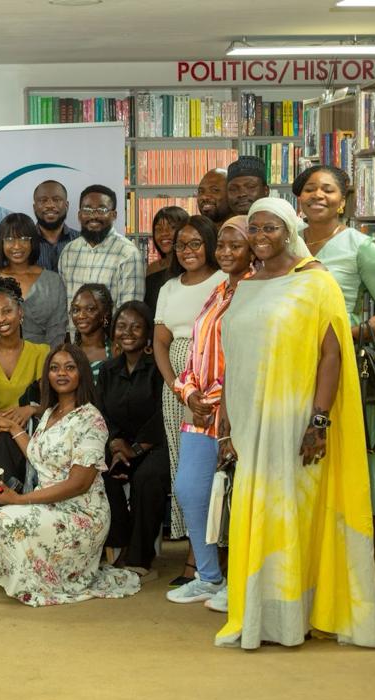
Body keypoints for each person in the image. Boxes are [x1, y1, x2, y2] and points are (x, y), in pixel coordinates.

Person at [217, 197, 375, 649]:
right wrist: (226, 421)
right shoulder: (246, 285)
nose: (261, 237)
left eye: (270, 228)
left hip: (295, 419)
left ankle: (295, 616)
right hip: (250, 422)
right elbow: (234, 358)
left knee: (293, 513)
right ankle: (260, 613)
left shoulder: (316, 283)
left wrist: (318, 420)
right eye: (254, 229)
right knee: (259, 511)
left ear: (291, 229)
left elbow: (331, 355)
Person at [0, 343, 142, 606]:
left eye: (69, 367)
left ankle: (41, 578)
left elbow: (79, 484)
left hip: (80, 515)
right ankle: (31, 573)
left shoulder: (91, 419)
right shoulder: (52, 412)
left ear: (82, 374)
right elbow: (39, 456)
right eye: (54, 368)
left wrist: (19, 499)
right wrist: (11, 427)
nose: (61, 373)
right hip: (47, 505)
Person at [166, 216, 254, 608]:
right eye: (223, 245)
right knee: (190, 490)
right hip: (198, 409)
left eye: (236, 245)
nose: (226, 252)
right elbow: (198, 352)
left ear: (253, 248)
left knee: (239, 498)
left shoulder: (256, 289)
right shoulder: (219, 289)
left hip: (236, 410)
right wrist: (188, 393)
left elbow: (247, 358)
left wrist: (212, 399)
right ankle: (209, 576)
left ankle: (240, 584)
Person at [296, 164, 375, 527]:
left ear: (343, 201)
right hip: (288, 367)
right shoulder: (286, 240)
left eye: (328, 190)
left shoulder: (358, 245)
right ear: (298, 199)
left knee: (330, 457)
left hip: (338, 366)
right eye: (310, 189)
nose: (318, 195)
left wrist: (349, 333)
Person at [153, 216, 224, 583]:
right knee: (185, 473)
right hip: (177, 391)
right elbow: (161, 342)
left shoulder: (224, 282)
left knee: (212, 475)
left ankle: (204, 561)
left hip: (215, 389)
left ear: (210, 244)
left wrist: (199, 390)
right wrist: (175, 385)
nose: (187, 251)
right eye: (181, 245)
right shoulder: (168, 288)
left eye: (196, 243)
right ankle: (197, 556)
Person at [94, 301, 168, 580]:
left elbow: (164, 412)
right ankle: (122, 543)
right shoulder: (109, 370)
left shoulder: (159, 367)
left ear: (148, 333)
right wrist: (114, 444)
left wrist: (136, 449)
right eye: (122, 326)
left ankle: (140, 555)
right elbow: (101, 412)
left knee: (146, 478)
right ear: (113, 332)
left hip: (155, 446)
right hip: (118, 448)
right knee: (101, 475)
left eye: (136, 327)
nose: (128, 332)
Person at [0, 277, 51, 492]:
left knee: (8, 445)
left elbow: (53, 403)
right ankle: (3, 504)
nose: (1, 319)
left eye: (6, 311)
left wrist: (31, 408)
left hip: (28, 429)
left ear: (20, 312)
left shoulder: (41, 352)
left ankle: (6, 504)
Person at [0, 213, 67, 347]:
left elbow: (57, 332)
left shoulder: (53, 282)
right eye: (9, 239)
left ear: (33, 241)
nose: (17, 246)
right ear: (1, 242)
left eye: (23, 239)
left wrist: (47, 363)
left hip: (42, 361)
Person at [59, 184, 143, 320]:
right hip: (74, 339)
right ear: (79, 215)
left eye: (102, 210)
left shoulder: (128, 254)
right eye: (87, 210)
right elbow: (63, 305)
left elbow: (129, 312)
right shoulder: (69, 252)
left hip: (109, 340)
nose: (94, 216)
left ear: (114, 215)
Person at [143, 206, 189, 312]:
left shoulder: (191, 267)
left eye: (172, 228)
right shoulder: (152, 268)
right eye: (158, 229)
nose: (164, 233)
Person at [33, 180, 81, 272]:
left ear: (66, 206)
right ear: (34, 207)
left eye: (57, 200)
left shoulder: (83, 242)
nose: (50, 205)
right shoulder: (22, 243)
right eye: (43, 200)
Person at [70, 283, 113, 381]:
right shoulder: (67, 353)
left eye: (90, 309)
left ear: (105, 313)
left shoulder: (116, 352)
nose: (81, 316)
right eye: (76, 310)